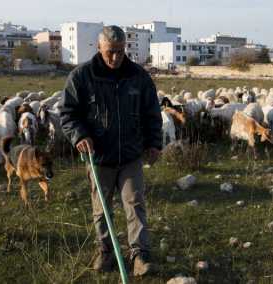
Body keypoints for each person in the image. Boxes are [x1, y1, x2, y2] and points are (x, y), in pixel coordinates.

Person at [60, 25, 162, 276]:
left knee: (135, 203)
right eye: (110, 52)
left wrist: (154, 143)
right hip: (99, 157)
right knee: (101, 207)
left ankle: (139, 255)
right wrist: (79, 136)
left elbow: (151, 112)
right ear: (99, 48)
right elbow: (68, 114)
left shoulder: (138, 76)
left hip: (130, 155)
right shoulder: (82, 76)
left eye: (120, 51)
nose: (115, 58)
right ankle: (106, 252)